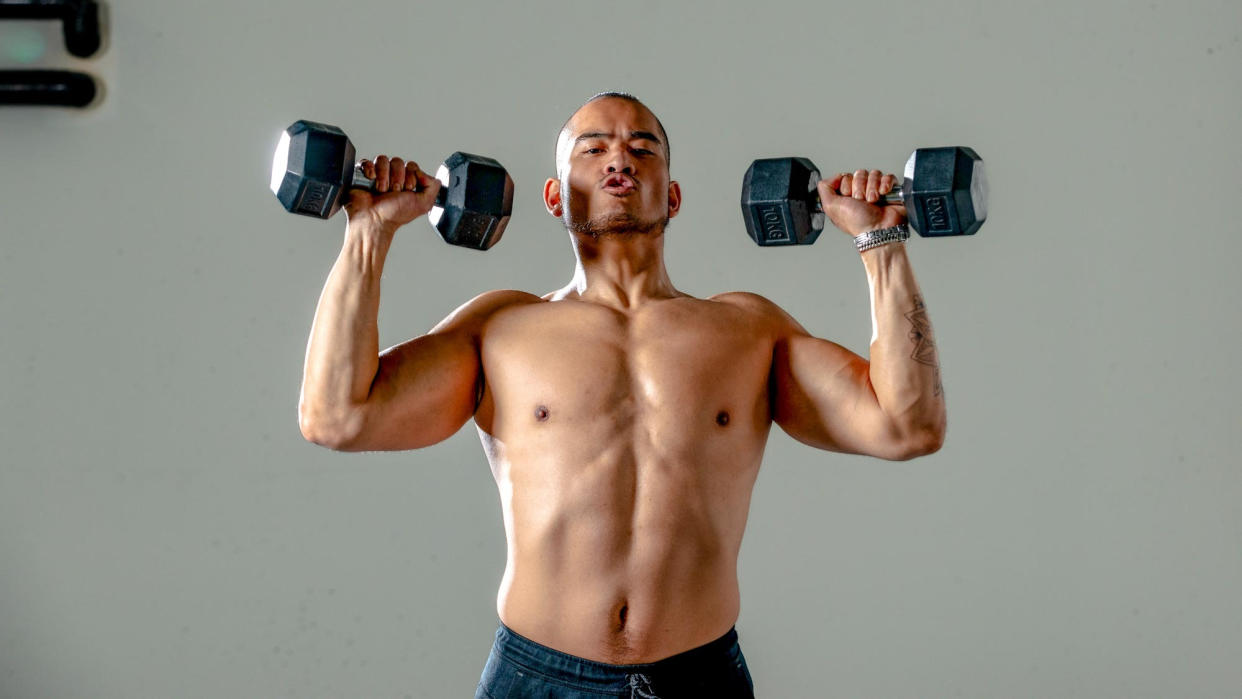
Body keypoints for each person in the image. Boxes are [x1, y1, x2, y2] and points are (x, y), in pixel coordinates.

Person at [297, 92, 947, 698]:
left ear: (675, 195)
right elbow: (336, 416)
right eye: (593, 148)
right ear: (555, 196)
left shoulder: (747, 329)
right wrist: (369, 230)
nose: (619, 159)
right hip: (538, 673)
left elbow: (906, 425)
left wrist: (881, 240)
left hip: (700, 676)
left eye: (643, 149)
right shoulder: (501, 328)